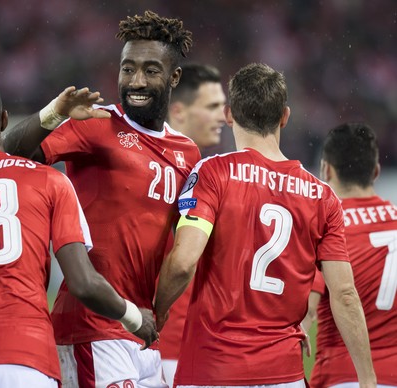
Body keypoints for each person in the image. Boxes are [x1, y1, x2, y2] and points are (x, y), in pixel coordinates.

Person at [0, 67, 158, 388]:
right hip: (26, 357)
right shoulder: (49, 181)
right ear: (4, 120)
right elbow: (84, 283)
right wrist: (134, 318)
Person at [2, 10, 201, 388]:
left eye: (150, 70)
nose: (136, 81)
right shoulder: (95, 124)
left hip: (142, 329)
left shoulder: (187, 153)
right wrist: (53, 114)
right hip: (92, 325)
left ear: (174, 77)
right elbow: (7, 156)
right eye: (128, 69)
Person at [155, 63, 376, 387]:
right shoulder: (322, 196)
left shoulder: (214, 173)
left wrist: (158, 311)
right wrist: (368, 379)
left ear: (230, 115)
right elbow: (344, 294)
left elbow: (185, 262)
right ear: (285, 116)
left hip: (213, 368)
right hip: (283, 373)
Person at [305, 123, 397, 388]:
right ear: (376, 172)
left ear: (326, 170)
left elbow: (307, 310)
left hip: (343, 376)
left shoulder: (327, 228)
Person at [159, 63, 226, 384]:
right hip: (163, 347)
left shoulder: (207, 171)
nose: (224, 117)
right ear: (179, 111)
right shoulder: (164, 170)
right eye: (212, 107)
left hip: (197, 347)